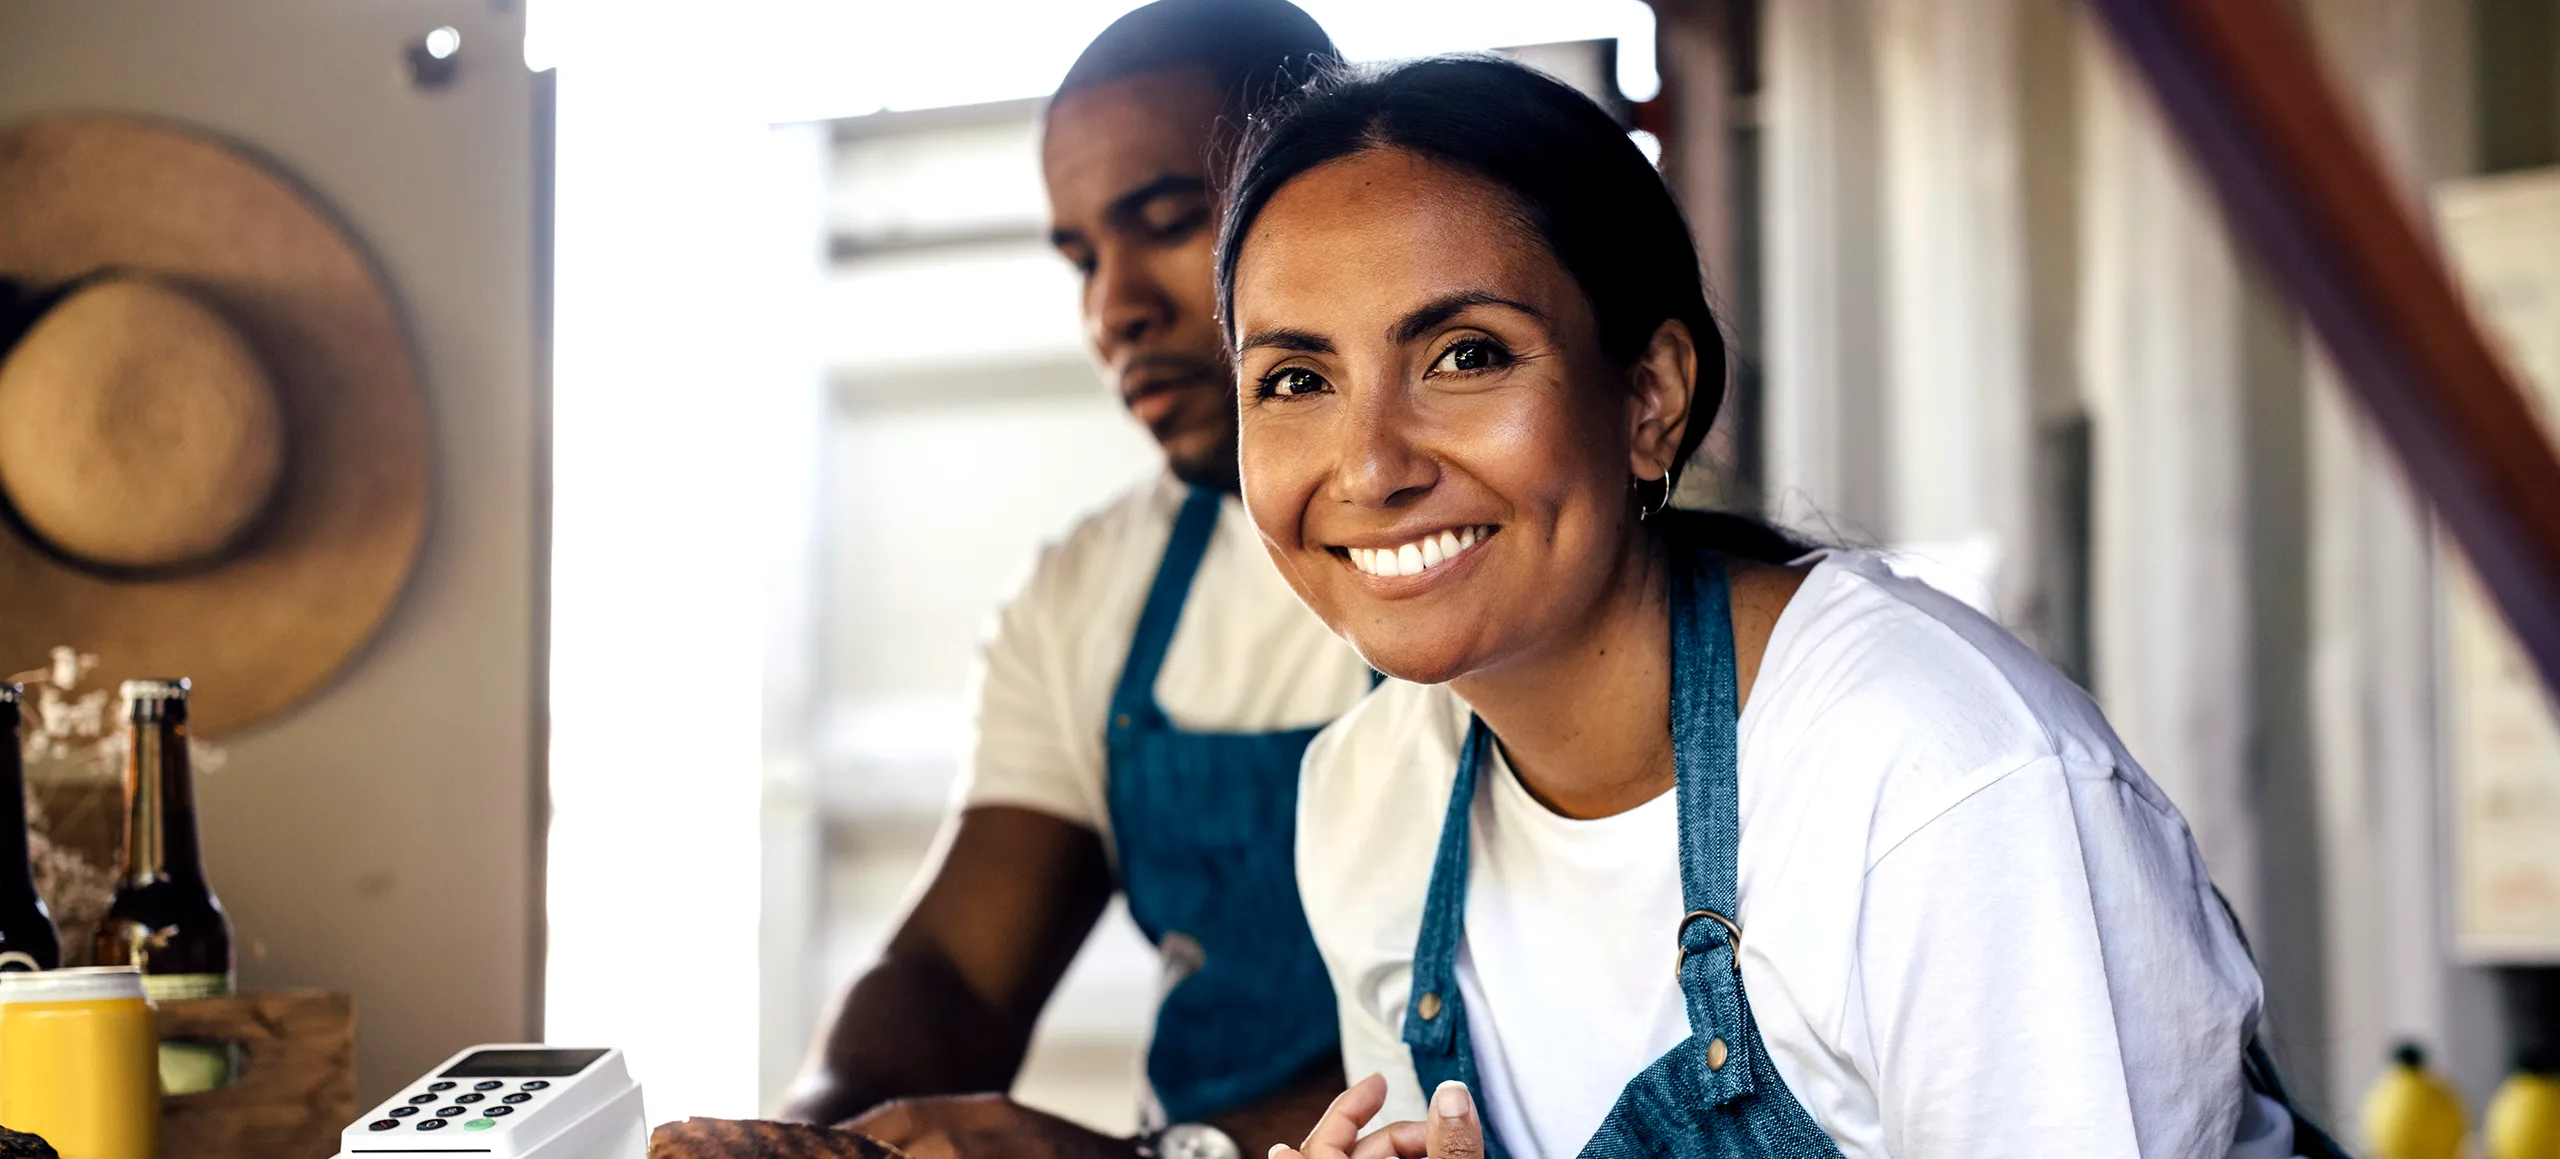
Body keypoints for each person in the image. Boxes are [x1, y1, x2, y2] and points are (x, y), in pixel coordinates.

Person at [1215, 58, 2333, 1158]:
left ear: (1650, 396)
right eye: (1295, 380)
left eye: (1466, 355)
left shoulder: (1940, 783)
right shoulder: (1368, 803)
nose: (1369, 467)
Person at [776, 5, 1369, 1158]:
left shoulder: (1509, 551)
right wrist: (816, 1132)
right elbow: (951, 971)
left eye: (1163, 223)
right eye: (1081, 256)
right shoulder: (1085, 595)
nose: (1113, 310)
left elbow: (1537, 1059)